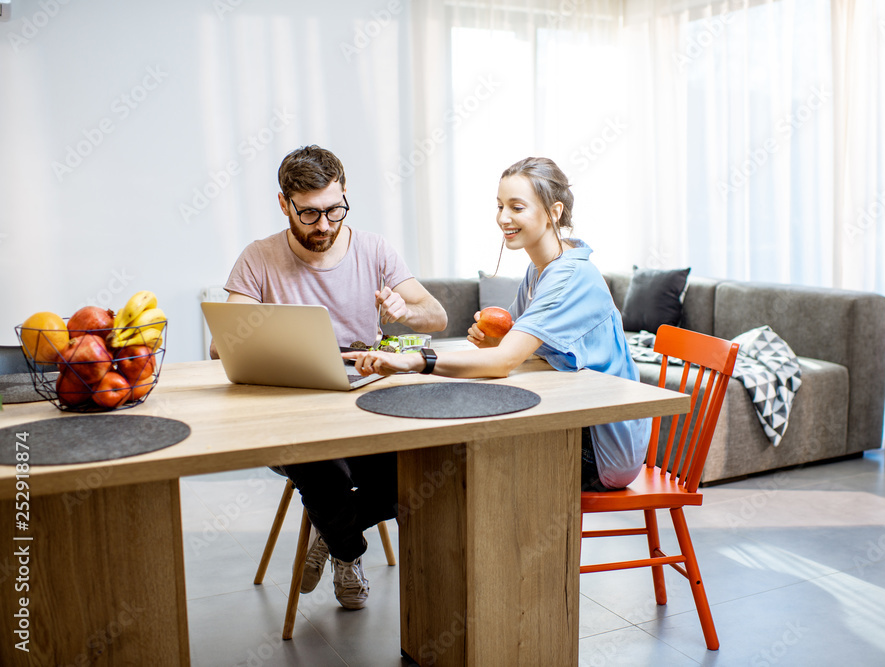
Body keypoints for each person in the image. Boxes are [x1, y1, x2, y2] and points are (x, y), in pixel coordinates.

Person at [212, 145, 447, 609]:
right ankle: (349, 549)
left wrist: (406, 311)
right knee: (319, 462)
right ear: (284, 204)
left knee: (427, 467)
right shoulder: (258, 258)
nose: (324, 225)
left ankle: (335, 530)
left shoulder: (374, 249)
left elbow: (435, 316)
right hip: (294, 413)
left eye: (335, 210)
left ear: (345, 196)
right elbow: (223, 347)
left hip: (365, 405)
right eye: (309, 214)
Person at [347, 157, 652, 492]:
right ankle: (347, 524)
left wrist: (414, 360)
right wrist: (495, 344)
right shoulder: (540, 270)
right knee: (442, 447)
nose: (503, 218)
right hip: (579, 420)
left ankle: (345, 524)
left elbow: (503, 362)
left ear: (555, 211)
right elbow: (512, 350)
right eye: (500, 206)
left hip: (603, 450)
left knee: (457, 453)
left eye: (517, 207)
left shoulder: (569, 277)